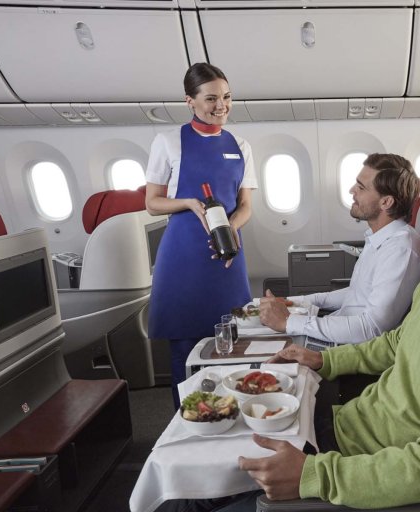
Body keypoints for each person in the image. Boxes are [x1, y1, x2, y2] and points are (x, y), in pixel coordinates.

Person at [156, 151, 420, 511]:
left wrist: (314, 475)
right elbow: (396, 343)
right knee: (206, 457)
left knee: (190, 496)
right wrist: (323, 359)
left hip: (356, 459)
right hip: (348, 425)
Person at [145, 63, 257, 409]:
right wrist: (188, 203)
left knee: (232, 340)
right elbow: (152, 203)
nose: (221, 105)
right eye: (210, 98)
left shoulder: (240, 145)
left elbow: (245, 205)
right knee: (185, 345)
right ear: (190, 101)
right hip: (183, 254)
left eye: (226, 97)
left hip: (227, 251)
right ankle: (189, 419)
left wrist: (232, 229)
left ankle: (231, 414)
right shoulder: (167, 142)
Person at [258, 153, 420, 346]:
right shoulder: (379, 238)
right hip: (340, 334)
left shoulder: (400, 249)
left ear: (386, 202)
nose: (351, 190)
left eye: (361, 188)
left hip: (353, 348)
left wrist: (289, 322)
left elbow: (372, 328)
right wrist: (295, 301)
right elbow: (356, 294)